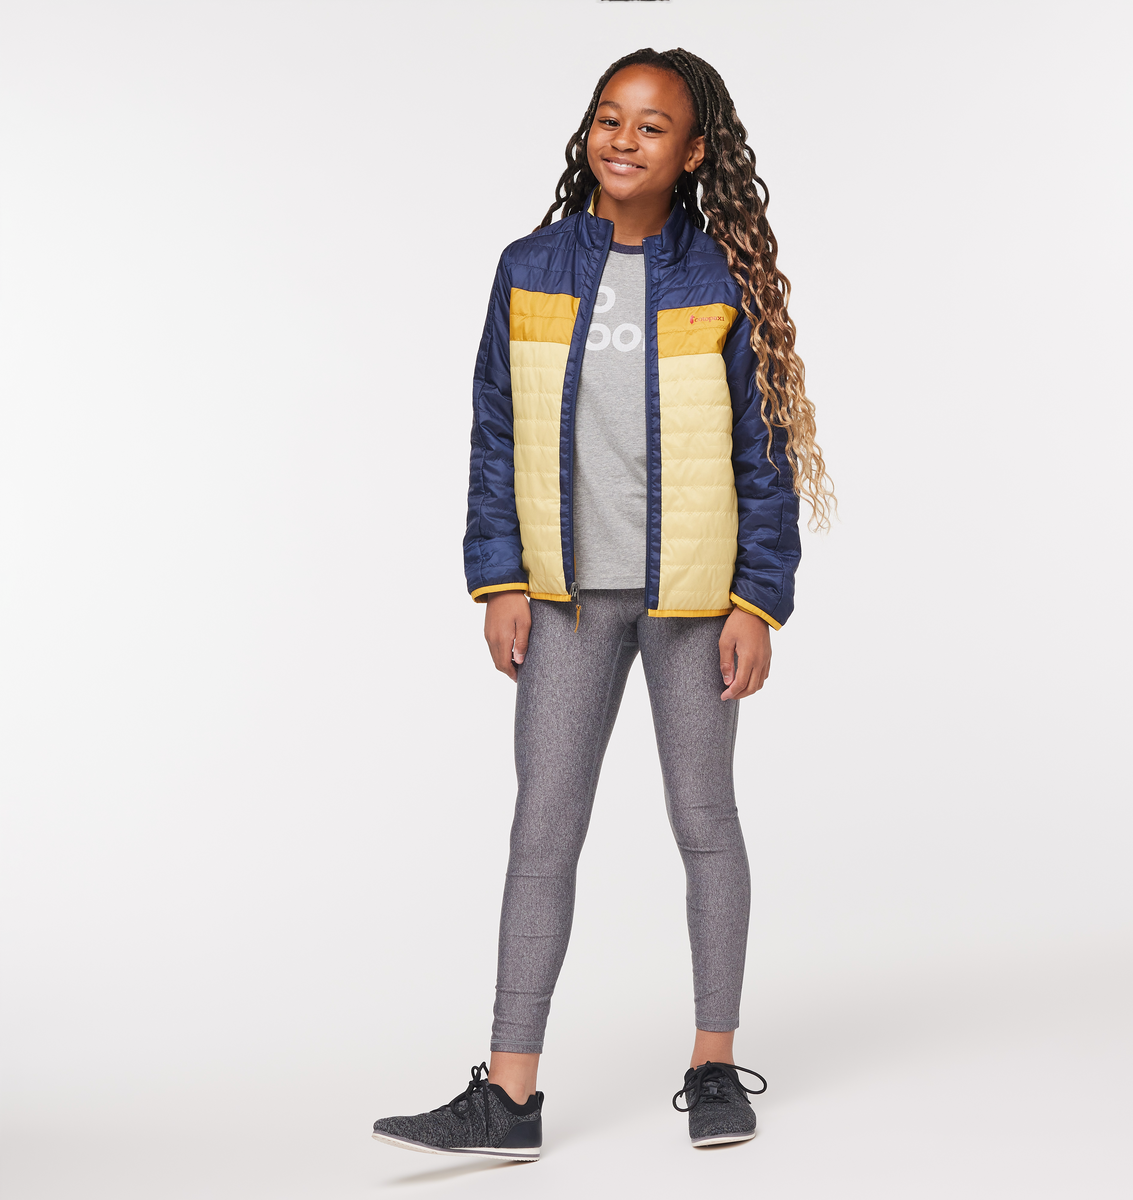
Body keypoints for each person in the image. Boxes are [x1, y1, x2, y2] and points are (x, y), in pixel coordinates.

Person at [373, 46, 833, 1161]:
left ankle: (713, 1064)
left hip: (694, 602)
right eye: (609, 118)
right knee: (543, 829)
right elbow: (494, 432)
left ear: (695, 152)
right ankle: (510, 1096)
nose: (624, 139)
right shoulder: (530, 267)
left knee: (704, 822)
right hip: (565, 601)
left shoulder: (720, 279)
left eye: (652, 125)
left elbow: (764, 457)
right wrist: (499, 579)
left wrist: (756, 601)